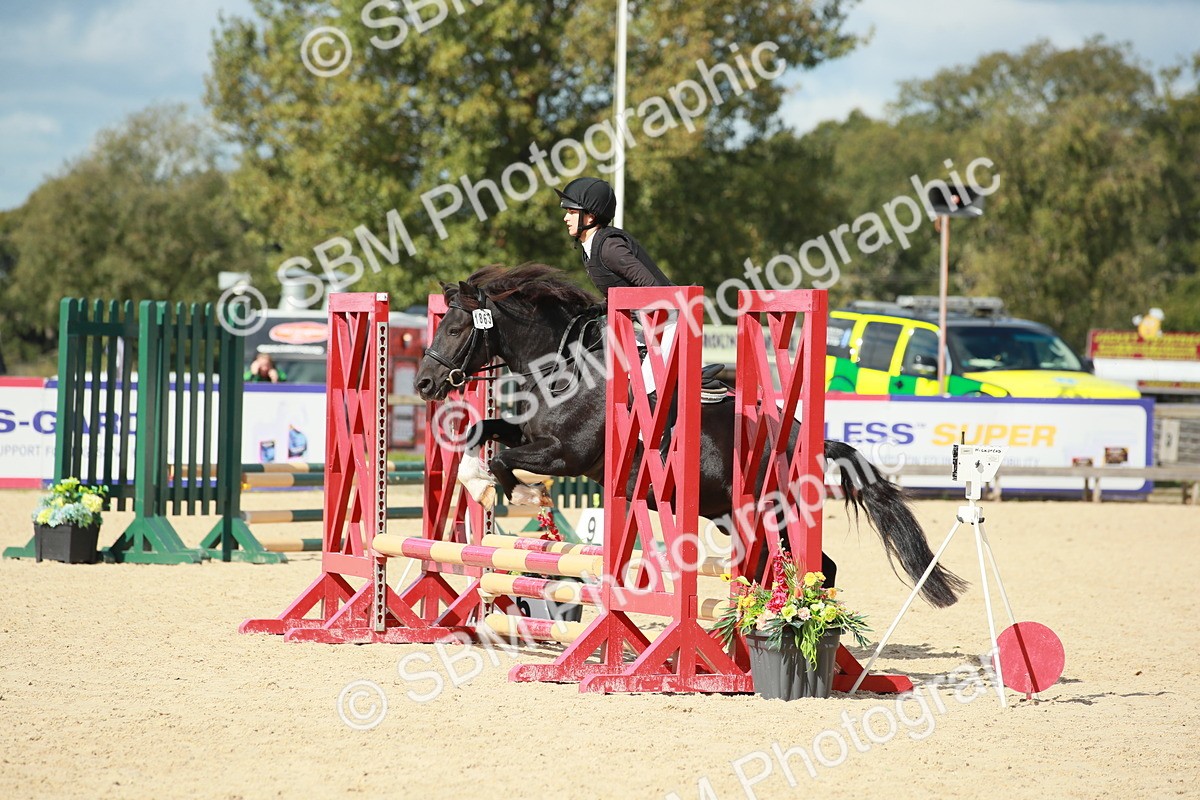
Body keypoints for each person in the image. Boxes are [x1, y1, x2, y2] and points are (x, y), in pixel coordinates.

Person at [555, 176, 675, 393]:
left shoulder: (609, 247)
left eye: (571, 212)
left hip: (669, 325)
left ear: (590, 216)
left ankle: (658, 428)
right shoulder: (589, 248)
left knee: (643, 389)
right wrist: (597, 308)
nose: (565, 218)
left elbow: (653, 289)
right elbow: (623, 291)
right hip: (649, 325)